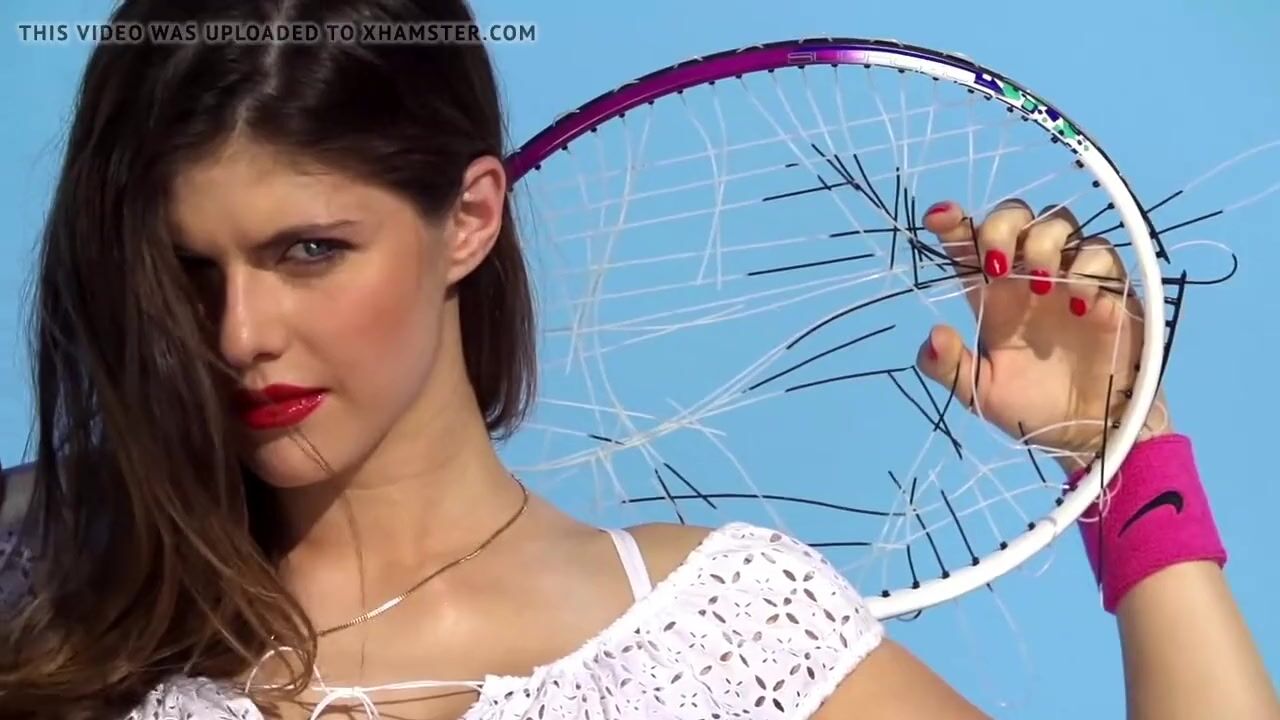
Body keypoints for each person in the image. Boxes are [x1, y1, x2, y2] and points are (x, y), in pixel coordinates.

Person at [0, 0, 1275, 718]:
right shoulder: (43, 578)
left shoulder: (723, 634)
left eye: (311, 251)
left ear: (468, 220)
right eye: (187, 269)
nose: (238, 334)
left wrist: (1125, 456)